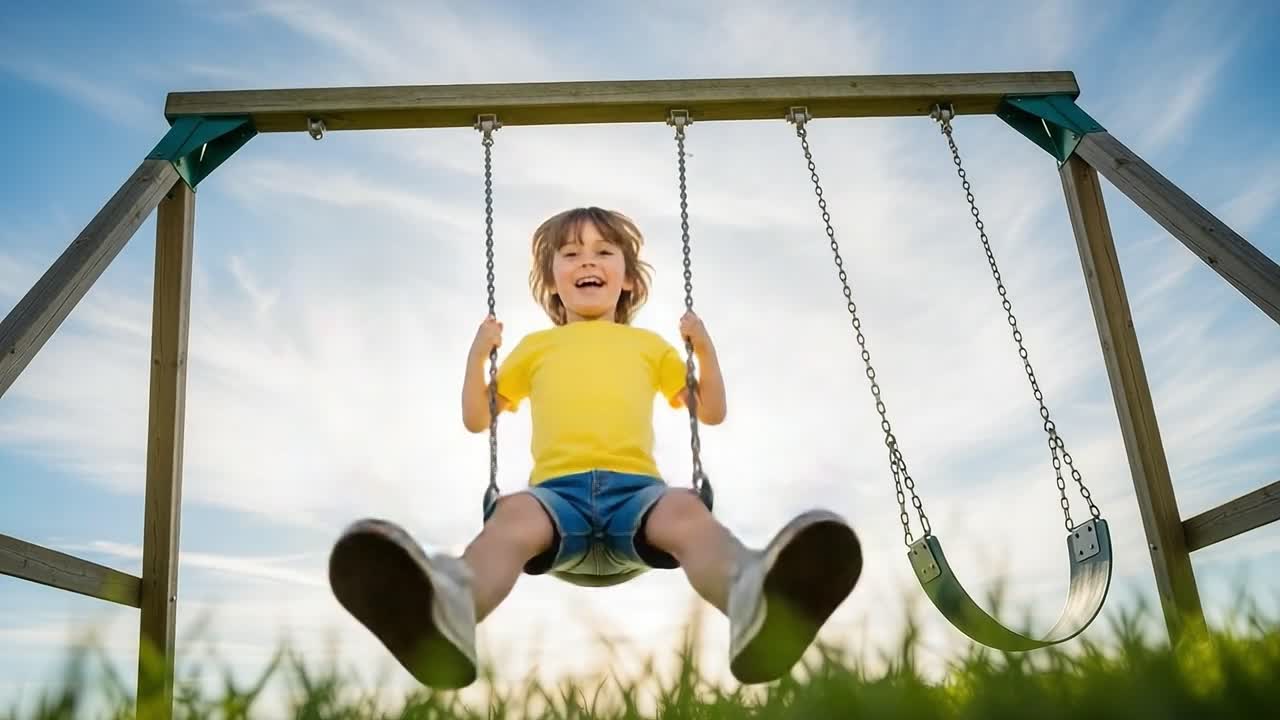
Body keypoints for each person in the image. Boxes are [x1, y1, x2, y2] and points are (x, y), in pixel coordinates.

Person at [328, 207, 863, 690]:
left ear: (627, 279)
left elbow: (712, 409)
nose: (588, 260)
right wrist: (478, 355)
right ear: (553, 281)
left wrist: (705, 348)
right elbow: (477, 418)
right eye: (571, 253)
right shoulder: (535, 347)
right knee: (511, 517)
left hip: (639, 498)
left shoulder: (649, 345)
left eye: (604, 252)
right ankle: (447, 606)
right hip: (554, 503)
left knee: (686, 509)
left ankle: (753, 595)